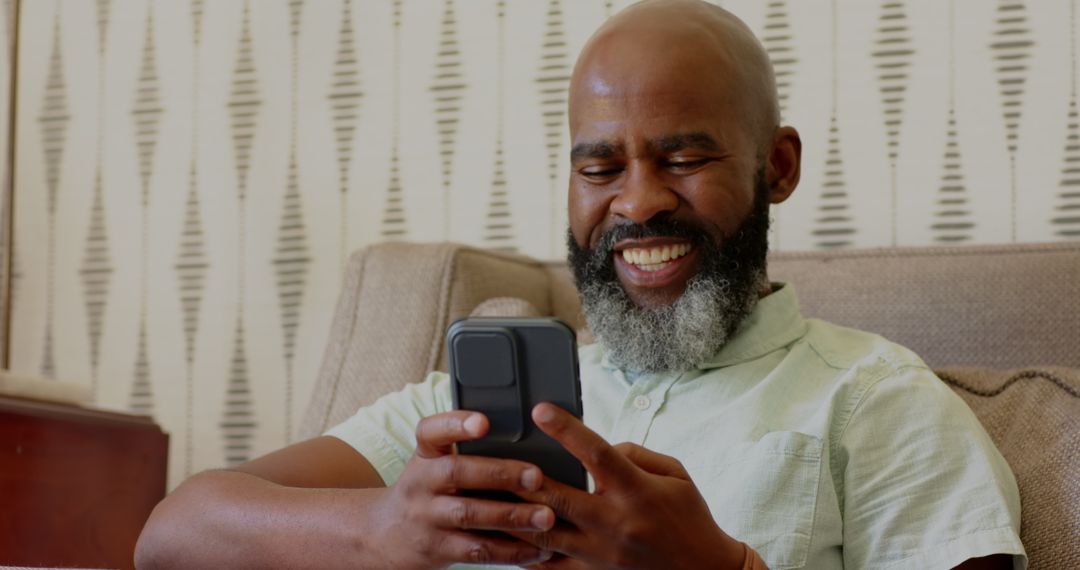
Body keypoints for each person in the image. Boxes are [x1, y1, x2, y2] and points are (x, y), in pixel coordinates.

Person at [135, 1, 1025, 568]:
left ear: (777, 166)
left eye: (684, 158)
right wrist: (385, 528)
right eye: (600, 168)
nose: (637, 202)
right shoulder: (471, 412)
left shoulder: (874, 400)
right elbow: (174, 533)